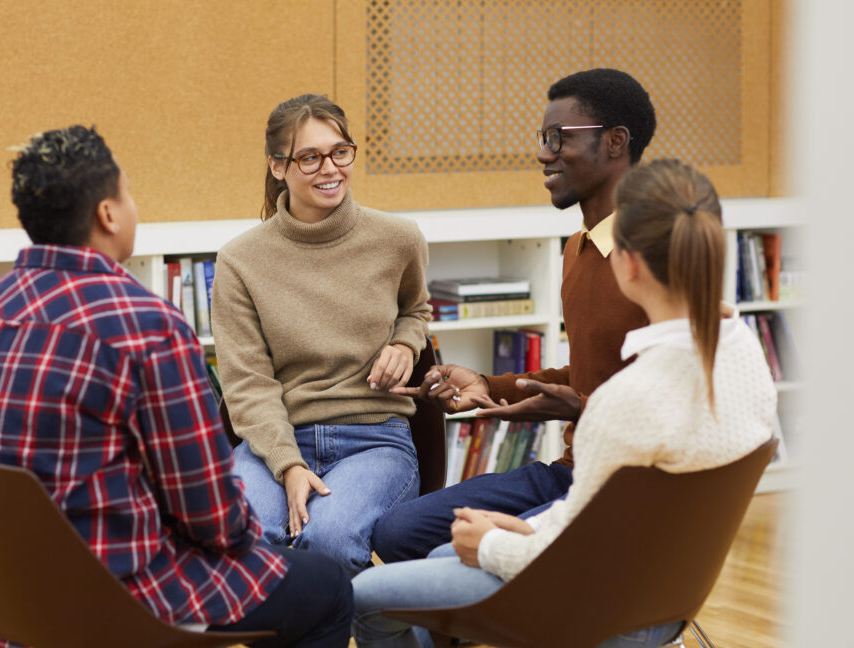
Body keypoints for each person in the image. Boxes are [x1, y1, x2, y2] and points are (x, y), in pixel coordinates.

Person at [0, 125, 352, 648]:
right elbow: (210, 512)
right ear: (108, 214)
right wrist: (249, 540)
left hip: (1, 599)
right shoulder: (145, 324)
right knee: (327, 586)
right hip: (111, 601)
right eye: (128, 193)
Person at [351, 158, 778, 648]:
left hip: (600, 603)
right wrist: (517, 528)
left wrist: (491, 542)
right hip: (666, 590)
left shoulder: (628, 398)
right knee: (436, 553)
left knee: (370, 593)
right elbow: (589, 518)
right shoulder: (745, 353)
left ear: (628, 265)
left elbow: (575, 547)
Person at [372, 68, 656, 562]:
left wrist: (580, 407)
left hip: (633, 486)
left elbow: (685, 403)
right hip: (572, 471)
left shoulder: (662, 256)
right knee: (398, 531)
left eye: (558, 138)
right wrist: (487, 385)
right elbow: (590, 374)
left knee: (452, 555)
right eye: (543, 138)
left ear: (615, 142)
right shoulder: (578, 249)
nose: (544, 154)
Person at [211, 93, 432, 576]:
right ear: (278, 167)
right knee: (242, 538)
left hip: (376, 437)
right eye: (309, 157)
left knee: (329, 540)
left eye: (340, 152)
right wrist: (289, 465)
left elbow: (415, 309)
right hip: (278, 438)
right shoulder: (240, 261)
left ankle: (348, 618)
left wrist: (404, 342)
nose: (330, 168)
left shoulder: (398, 239)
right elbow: (248, 384)